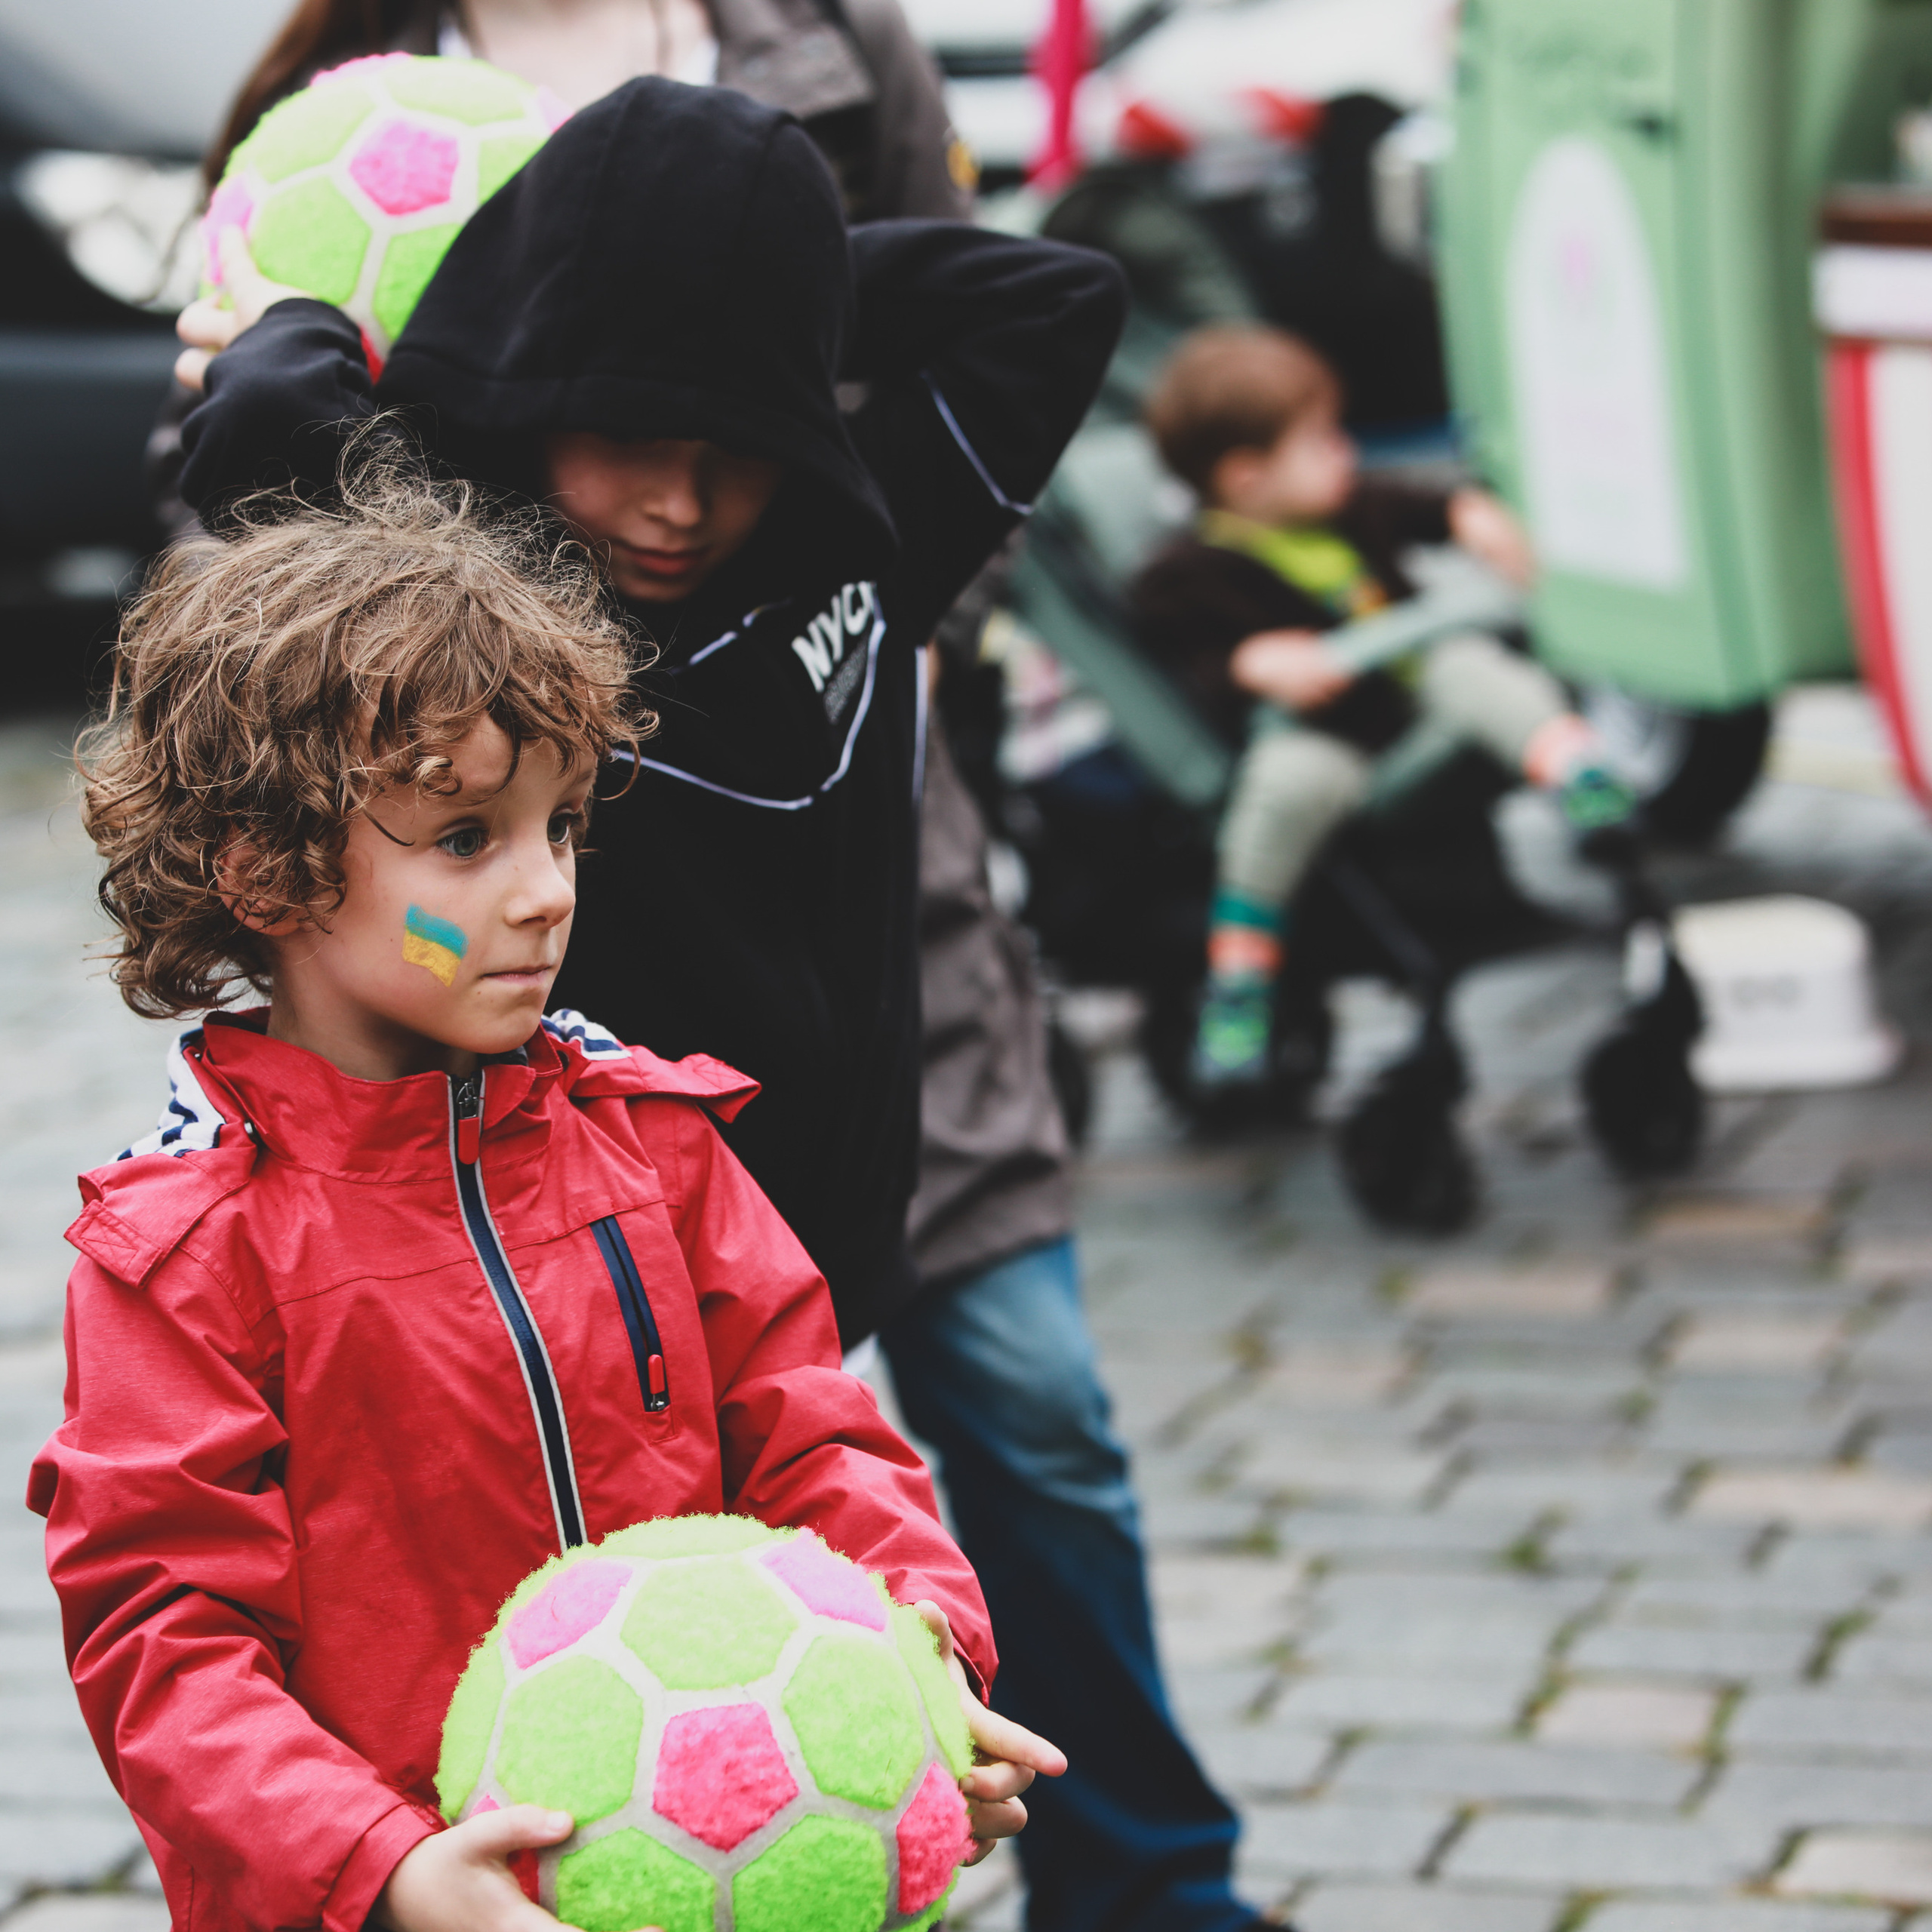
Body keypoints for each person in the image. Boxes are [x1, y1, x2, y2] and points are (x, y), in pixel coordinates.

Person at [28, 466, 1059, 1932]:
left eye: (560, 824)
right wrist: (380, 1865)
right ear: (265, 872)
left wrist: (917, 1657)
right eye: (466, 839)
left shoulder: (653, 1141)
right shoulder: (188, 1249)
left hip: (714, 1875)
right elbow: (166, 1643)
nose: (546, 890)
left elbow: (813, 1436)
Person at [171, 76, 1125, 1346]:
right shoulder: (482, 618)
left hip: (827, 1255)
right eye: (631, 435)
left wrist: (743, 280)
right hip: (585, 1291)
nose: (681, 503)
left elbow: (1061, 297)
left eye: (738, 446)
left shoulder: (865, 530)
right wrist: (423, 316)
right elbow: (271, 438)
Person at [1132, 321, 1638, 1095]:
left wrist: (1472, 517)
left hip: (1410, 704)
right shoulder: (1191, 572)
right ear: (1245, 477)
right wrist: (1248, 661)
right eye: (1320, 441)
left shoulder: (1354, 508)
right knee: (1278, 793)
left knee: (1469, 666)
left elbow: (1433, 509)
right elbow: (1175, 647)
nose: (1346, 454)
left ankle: (1581, 778)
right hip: (1320, 733)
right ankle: (1239, 982)